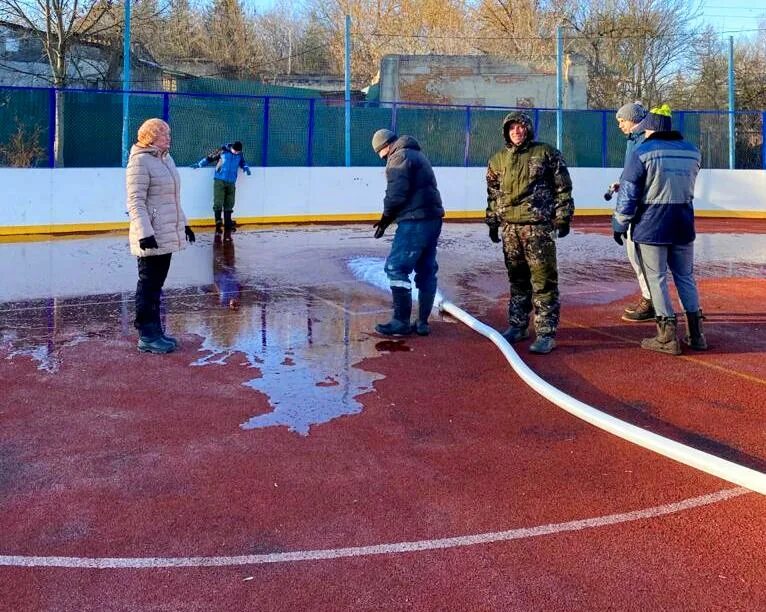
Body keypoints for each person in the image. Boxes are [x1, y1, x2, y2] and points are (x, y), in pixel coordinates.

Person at [613, 104, 707, 355]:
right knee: (686, 277)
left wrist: (619, 223)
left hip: (652, 225)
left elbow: (629, 193)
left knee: (657, 278)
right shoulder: (693, 152)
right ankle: (696, 335)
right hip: (683, 222)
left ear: (650, 128)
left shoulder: (643, 152)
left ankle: (667, 337)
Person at [485, 111, 574, 355]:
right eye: (512, 128)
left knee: (543, 281)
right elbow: (493, 195)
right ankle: (518, 325)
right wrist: (492, 222)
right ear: (506, 132)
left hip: (537, 229)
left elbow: (563, 188)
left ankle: (546, 333)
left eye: (520, 127)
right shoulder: (497, 160)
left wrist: (563, 217)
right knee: (517, 280)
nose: (516, 131)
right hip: (510, 229)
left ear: (528, 129)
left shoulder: (546, 153)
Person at [126, 118, 195, 354]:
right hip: (151, 234)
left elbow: (172, 199)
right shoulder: (140, 162)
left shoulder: (166, 160)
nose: (168, 137)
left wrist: (184, 225)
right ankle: (146, 335)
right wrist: (145, 233)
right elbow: (135, 202)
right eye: (164, 134)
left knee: (156, 286)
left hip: (165, 232)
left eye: (168, 133)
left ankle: (156, 331)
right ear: (151, 137)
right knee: (148, 285)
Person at [370, 128, 444, 337]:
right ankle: (422, 322)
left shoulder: (399, 156)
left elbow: (395, 194)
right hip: (432, 219)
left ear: (384, 147)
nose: (382, 158)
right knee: (426, 270)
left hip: (415, 221)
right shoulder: (416, 153)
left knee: (396, 268)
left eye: (380, 154)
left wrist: (385, 220)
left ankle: (400, 322)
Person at [611, 101, 654, 323]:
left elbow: (642, 173)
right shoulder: (634, 140)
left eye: (622, 121)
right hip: (639, 205)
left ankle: (651, 301)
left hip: (641, 209)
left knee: (640, 257)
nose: (620, 125)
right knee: (637, 257)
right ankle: (652, 299)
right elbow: (633, 171)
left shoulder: (643, 140)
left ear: (634, 120)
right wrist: (622, 181)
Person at [192, 141, 250, 240]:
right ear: (232, 148)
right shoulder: (223, 151)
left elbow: (242, 162)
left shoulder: (240, 154)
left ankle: (228, 224)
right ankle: (218, 224)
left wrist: (245, 167)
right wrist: (199, 164)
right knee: (218, 202)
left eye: (238, 152)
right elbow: (209, 158)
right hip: (220, 180)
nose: (236, 153)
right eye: (235, 151)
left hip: (231, 182)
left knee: (230, 203)